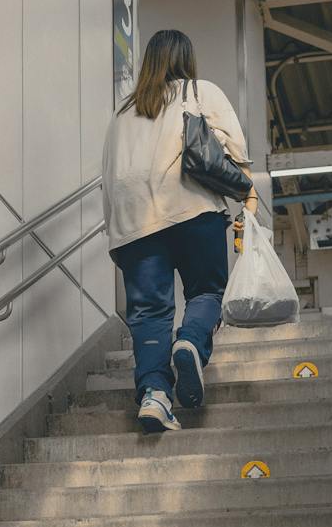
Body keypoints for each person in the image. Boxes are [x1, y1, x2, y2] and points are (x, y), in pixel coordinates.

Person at [101, 28, 258, 433]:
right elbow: (235, 153)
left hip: (135, 227)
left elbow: (109, 178)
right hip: (193, 211)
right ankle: (189, 341)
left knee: (149, 312)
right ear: (185, 59)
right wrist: (248, 198)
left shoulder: (121, 113)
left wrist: (117, 239)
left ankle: (154, 394)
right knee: (206, 291)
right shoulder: (200, 91)